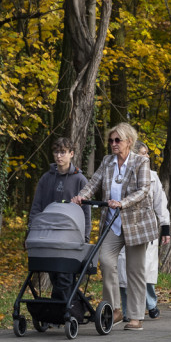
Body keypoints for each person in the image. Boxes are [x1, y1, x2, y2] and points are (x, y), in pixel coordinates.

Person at [72, 123, 158, 331]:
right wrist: (82, 196)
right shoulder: (108, 161)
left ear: (129, 141)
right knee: (106, 261)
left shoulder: (140, 162)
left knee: (135, 270)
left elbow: (144, 190)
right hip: (113, 222)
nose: (113, 144)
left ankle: (136, 316)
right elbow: (94, 182)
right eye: (111, 141)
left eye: (117, 140)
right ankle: (115, 309)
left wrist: (123, 202)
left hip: (136, 223)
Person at [29, 137, 90, 302]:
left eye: (63, 152)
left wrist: (85, 236)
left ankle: (63, 310)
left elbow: (86, 212)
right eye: (56, 152)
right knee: (54, 275)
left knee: (65, 276)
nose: (59, 156)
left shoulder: (80, 180)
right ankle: (63, 309)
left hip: (70, 237)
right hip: (48, 236)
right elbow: (37, 207)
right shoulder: (46, 179)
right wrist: (31, 229)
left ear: (71, 154)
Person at [119, 143, 171, 318]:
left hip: (145, 227)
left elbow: (160, 203)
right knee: (124, 274)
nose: (147, 157)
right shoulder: (121, 175)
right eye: (143, 154)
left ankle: (150, 303)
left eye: (148, 153)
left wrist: (165, 227)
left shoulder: (153, 177)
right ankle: (128, 312)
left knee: (145, 271)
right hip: (125, 227)